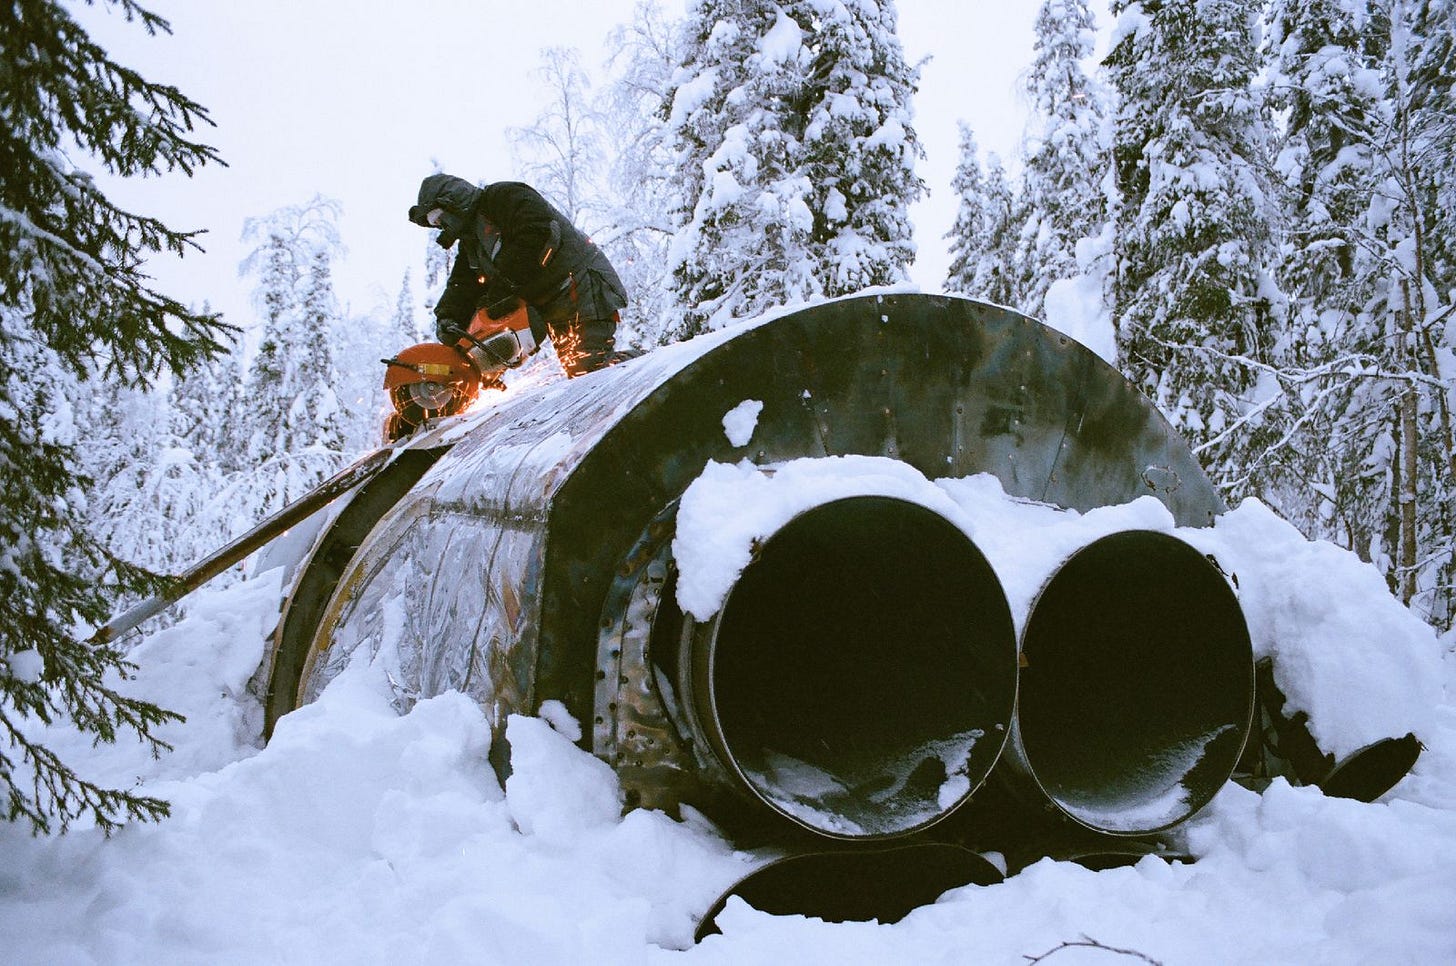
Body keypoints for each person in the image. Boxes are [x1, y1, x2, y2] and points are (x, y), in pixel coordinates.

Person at [408, 173, 637, 380]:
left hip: (579, 284)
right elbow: (464, 285)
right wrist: (449, 317)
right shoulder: (472, 243)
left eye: (438, 217)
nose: (439, 226)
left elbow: (539, 233)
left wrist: (504, 284)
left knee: (590, 369)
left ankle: (657, 368)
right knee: (581, 371)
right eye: (432, 223)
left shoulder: (503, 198)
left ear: (453, 200)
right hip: (555, 303)